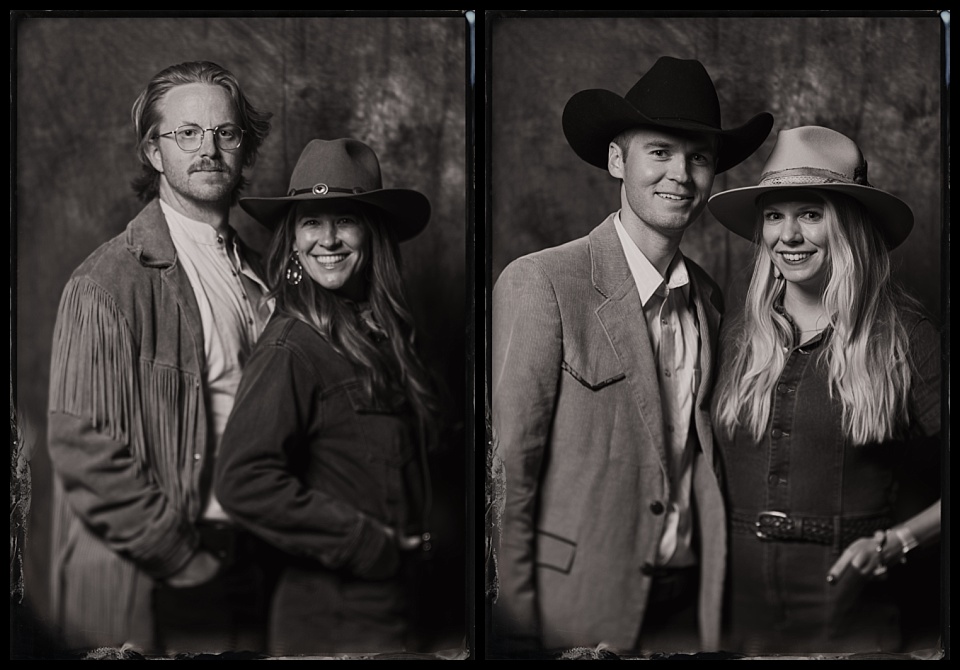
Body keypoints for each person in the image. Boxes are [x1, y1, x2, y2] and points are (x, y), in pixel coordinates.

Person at [490, 56, 774, 656]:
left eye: (699, 158)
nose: (681, 174)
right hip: (577, 609)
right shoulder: (541, 282)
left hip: (689, 606)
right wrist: (514, 631)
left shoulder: (709, 299)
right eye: (660, 152)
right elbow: (509, 476)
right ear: (618, 161)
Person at [47, 60, 274, 655]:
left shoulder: (260, 273)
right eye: (187, 133)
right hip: (172, 568)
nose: (208, 149)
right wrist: (181, 559)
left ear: (245, 147)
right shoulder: (108, 282)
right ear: (154, 152)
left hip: (256, 559)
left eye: (225, 133)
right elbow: (82, 446)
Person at [707, 125, 942, 655]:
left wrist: (898, 541)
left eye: (810, 214)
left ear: (848, 225)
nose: (788, 236)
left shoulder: (905, 337)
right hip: (731, 615)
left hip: (849, 615)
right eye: (774, 216)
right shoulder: (734, 334)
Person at [212, 137, 442, 656]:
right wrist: (367, 545)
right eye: (311, 222)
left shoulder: (382, 336)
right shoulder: (291, 347)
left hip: (399, 611)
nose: (329, 239)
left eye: (345, 220)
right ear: (293, 240)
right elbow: (242, 480)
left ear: (371, 232)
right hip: (333, 620)